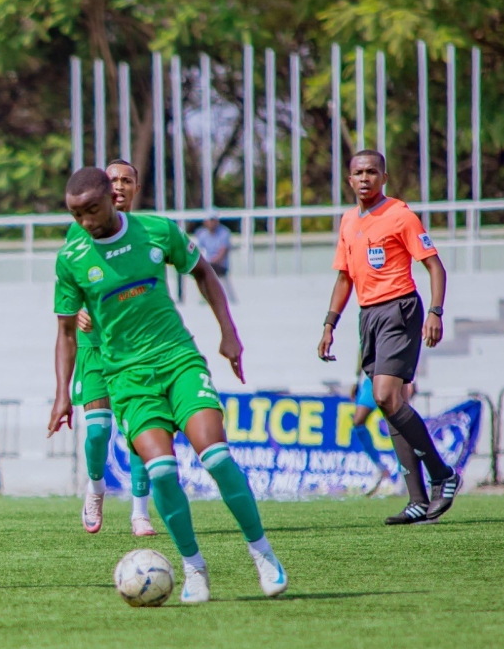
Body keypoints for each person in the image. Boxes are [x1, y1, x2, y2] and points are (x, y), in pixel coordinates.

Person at [50, 167, 287, 603]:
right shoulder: (72, 258)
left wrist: (228, 333)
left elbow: (204, 274)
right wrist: (63, 392)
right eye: (75, 214)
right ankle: (194, 568)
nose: (84, 221)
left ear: (112, 198)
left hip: (178, 360)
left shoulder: (157, 232)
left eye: (91, 210)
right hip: (127, 379)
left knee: (215, 457)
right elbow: (66, 332)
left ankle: (263, 553)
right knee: (161, 470)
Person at [318, 150, 460, 525]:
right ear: (349, 180)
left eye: (371, 172)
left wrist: (435, 311)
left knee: (383, 395)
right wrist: (330, 324)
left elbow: (435, 266)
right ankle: (416, 500)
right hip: (369, 316)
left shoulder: (400, 215)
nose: (364, 178)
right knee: (389, 403)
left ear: (384, 176)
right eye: (357, 173)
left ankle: (443, 474)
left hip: (400, 308)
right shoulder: (348, 221)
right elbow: (344, 277)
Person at [72, 159, 157, 537]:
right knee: (97, 433)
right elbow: (66, 288)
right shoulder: (79, 232)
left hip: (139, 349)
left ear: (136, 188)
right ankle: (95, 487)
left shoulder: (149, 232)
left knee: (140, 429)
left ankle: (141, 511)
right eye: (113, 180)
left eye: (127, 180)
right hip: (94, 348)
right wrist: (76, 310)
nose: (119, 186)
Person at [349, 348, 418, 497]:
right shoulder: (368, 325)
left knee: (396, 425)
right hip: (370, 378)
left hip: (393, 375)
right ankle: (379, 467)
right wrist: (356, 379)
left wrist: (412, 378)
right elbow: (363, 348)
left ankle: (403, 476)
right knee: (358, 422)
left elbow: (409, 343)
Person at [194, 210, 236, 303]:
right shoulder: (202, 234)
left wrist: (211, 262)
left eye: (213, 220)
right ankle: (205, 296)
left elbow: (223, 252)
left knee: (208, 269)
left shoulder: (224, 232)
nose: (211, 223)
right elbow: (199, 251)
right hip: (207, 262)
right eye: (209, 220)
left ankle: (228, 299)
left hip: (220, 264)